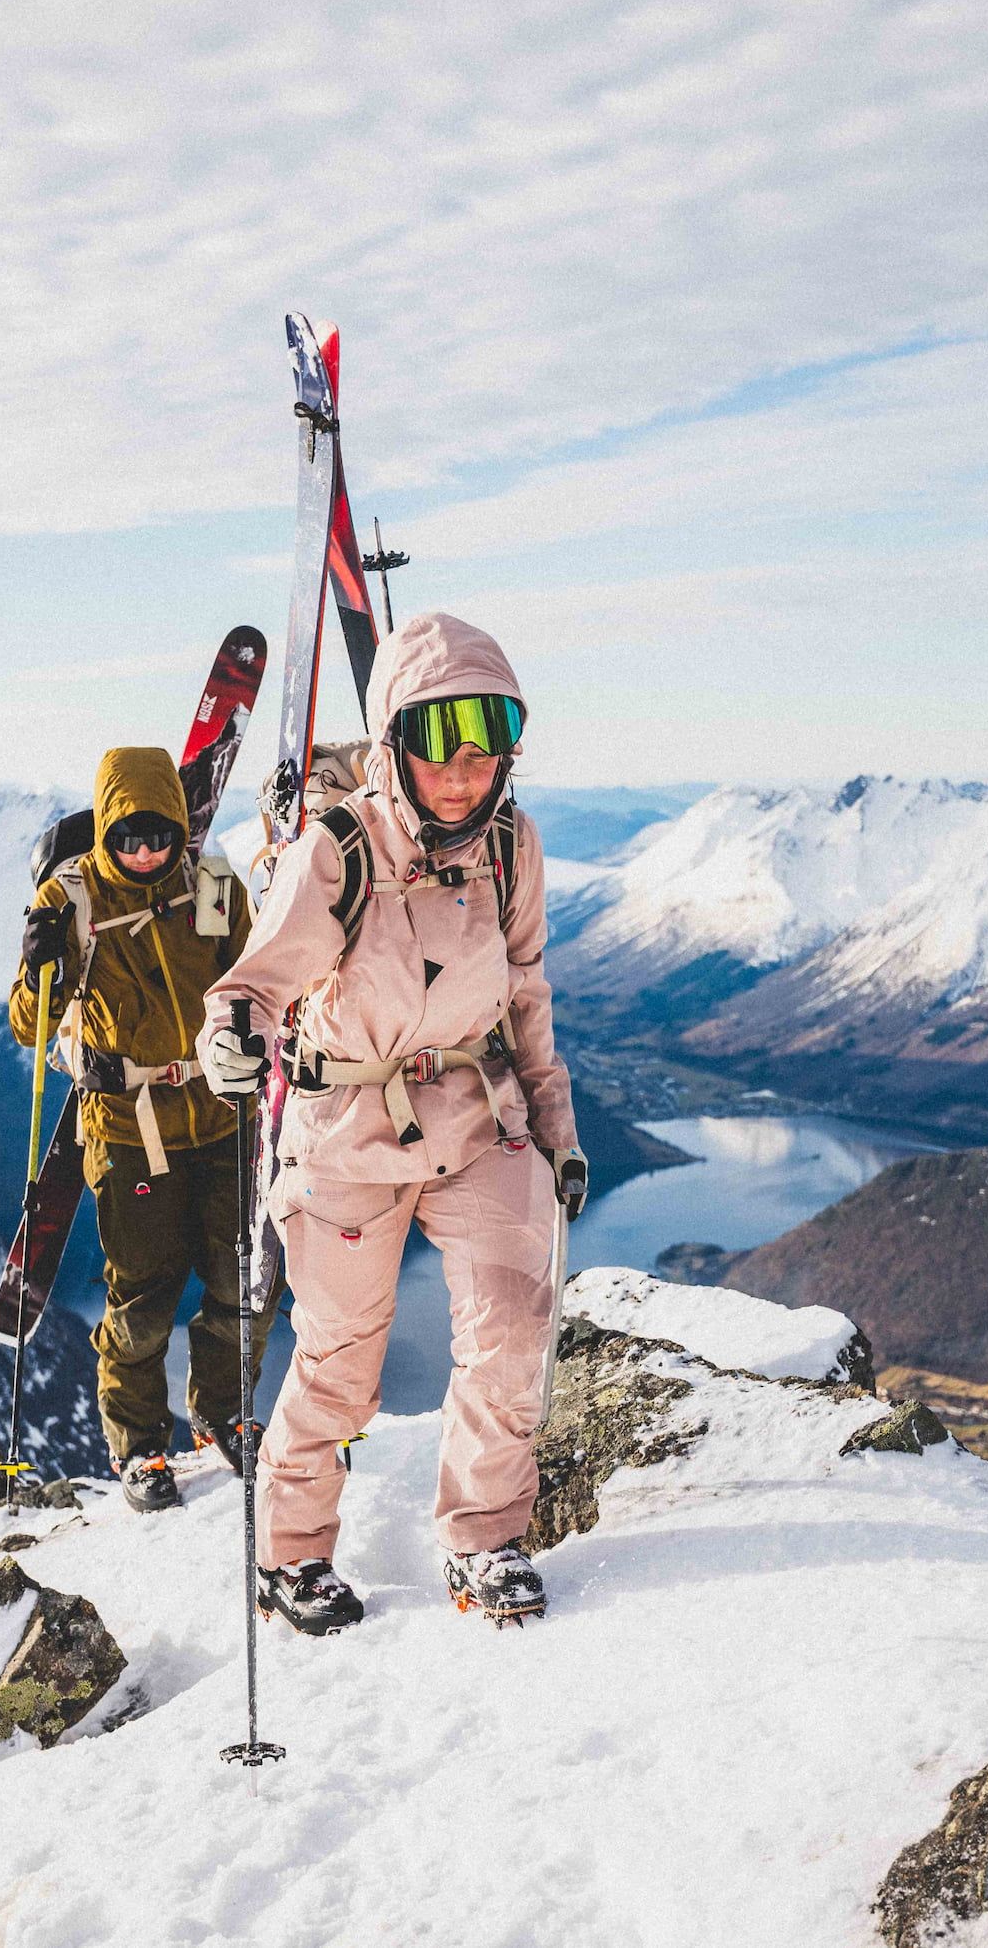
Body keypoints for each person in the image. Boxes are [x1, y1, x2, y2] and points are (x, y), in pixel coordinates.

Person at [199, 612, 589, 1632]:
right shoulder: (334, 853)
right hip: (346, 1127)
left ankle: (486, 1535)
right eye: (437, 745)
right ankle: (290, 1554)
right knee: (341, 1369)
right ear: (394, 747)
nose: (463, 773)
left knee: (513, 1320)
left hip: (478, 1108)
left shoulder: (511, 844)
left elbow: (528, 993)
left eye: (485, 745)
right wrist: (232, 1034)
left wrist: (558, 1127)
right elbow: (254, 987)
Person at [11, 747, 258, 1513]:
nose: (146, 854)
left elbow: (257, 975)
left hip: (220, 1114)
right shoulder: (72, 901)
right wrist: (35, 964)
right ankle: (139, 1444)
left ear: (181, 829)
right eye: (129, 839)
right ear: (107, 834)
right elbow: (31, 1026)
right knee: (143, 1300)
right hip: (126, 1125)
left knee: (237, 1282)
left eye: (159, 838)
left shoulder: (212, 886)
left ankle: (220, 1414)